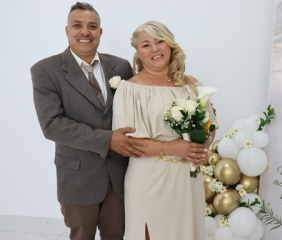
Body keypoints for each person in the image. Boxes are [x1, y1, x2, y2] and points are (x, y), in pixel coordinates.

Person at [31, 2, 146, 240]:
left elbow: (142, 102)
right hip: (78, 178)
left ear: (100, 32)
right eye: (78, 25)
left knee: (116, 235)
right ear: (67, 30)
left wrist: (185, 98)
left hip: (119, 176)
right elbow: (52, 125)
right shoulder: (45, 70)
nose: (85, 32)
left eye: (92, 26)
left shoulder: (121, 66)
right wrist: (107, 140)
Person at [112, 21, 219, 240]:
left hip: (187, 180)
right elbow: (128, 143)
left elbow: (210, 126)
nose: (155, 49)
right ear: (138, 53)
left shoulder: (192, 85)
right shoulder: (129, 89)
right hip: (150, 180)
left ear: (170, 45)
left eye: (159, 41)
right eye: (146, 44)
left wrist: (202, 147)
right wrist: (173, 147)